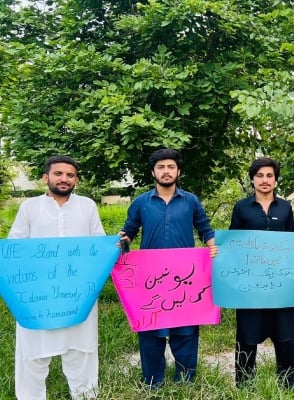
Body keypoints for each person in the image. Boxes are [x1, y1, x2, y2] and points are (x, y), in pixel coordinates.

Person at [119, 148, 217, 388]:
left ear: (178, 171)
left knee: (186, 328)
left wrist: (214, 248)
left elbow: (205, 229)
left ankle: (185, 379)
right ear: (153, 171)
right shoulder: (141, 202)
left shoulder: (191, 200)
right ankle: (153, 380)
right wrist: (119, 244)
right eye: (161, 167)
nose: (166, 171)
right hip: (150, 278)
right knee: (151, 327)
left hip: (186, 276)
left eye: (170, 167)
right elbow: (129, 232)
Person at [8, 156, 104, 400]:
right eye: (58, 174)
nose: (64, 179)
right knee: (33, 348)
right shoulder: (29, 207)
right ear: (45, 178)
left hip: (78, 293)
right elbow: (14, 247)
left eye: (70, 175)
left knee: (81, 348)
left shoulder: (87, 206)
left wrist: (118, 244)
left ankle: (85, 395)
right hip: (38, 294)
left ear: (76, 180)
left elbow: (99, 244)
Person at [228, 157, 294, 389]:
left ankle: (290, 382)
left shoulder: (285, 208)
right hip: (250, 284)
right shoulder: (241, 208)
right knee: (247, 333)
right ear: (252, 180)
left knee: (286, 334)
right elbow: (233, 243)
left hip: (281, 285)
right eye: (260, 176)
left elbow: (293, 243)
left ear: (276, 180)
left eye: (269, 176)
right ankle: (245, 383)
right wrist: (220, 250)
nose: (265, 180)